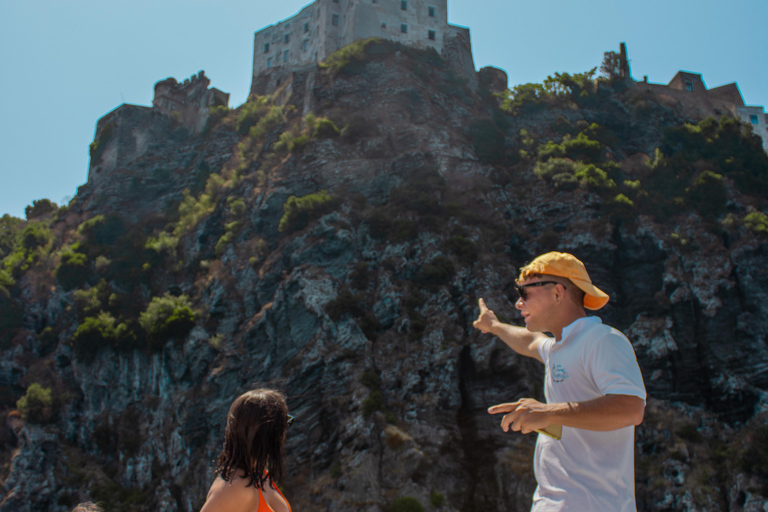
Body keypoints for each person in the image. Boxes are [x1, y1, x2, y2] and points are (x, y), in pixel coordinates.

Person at [473, 251, 646, 512]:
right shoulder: (558, 346)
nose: (519, 304)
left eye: (524, 293)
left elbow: (631, 408)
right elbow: (530, 342)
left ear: (557, 293)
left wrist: (547, 412)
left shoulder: (603, 339)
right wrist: (494, 326)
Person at [200, 389, 293, 512]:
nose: (285, 431)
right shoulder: (235, 487)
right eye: (285, 422)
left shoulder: (260, 474)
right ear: (269, 433)